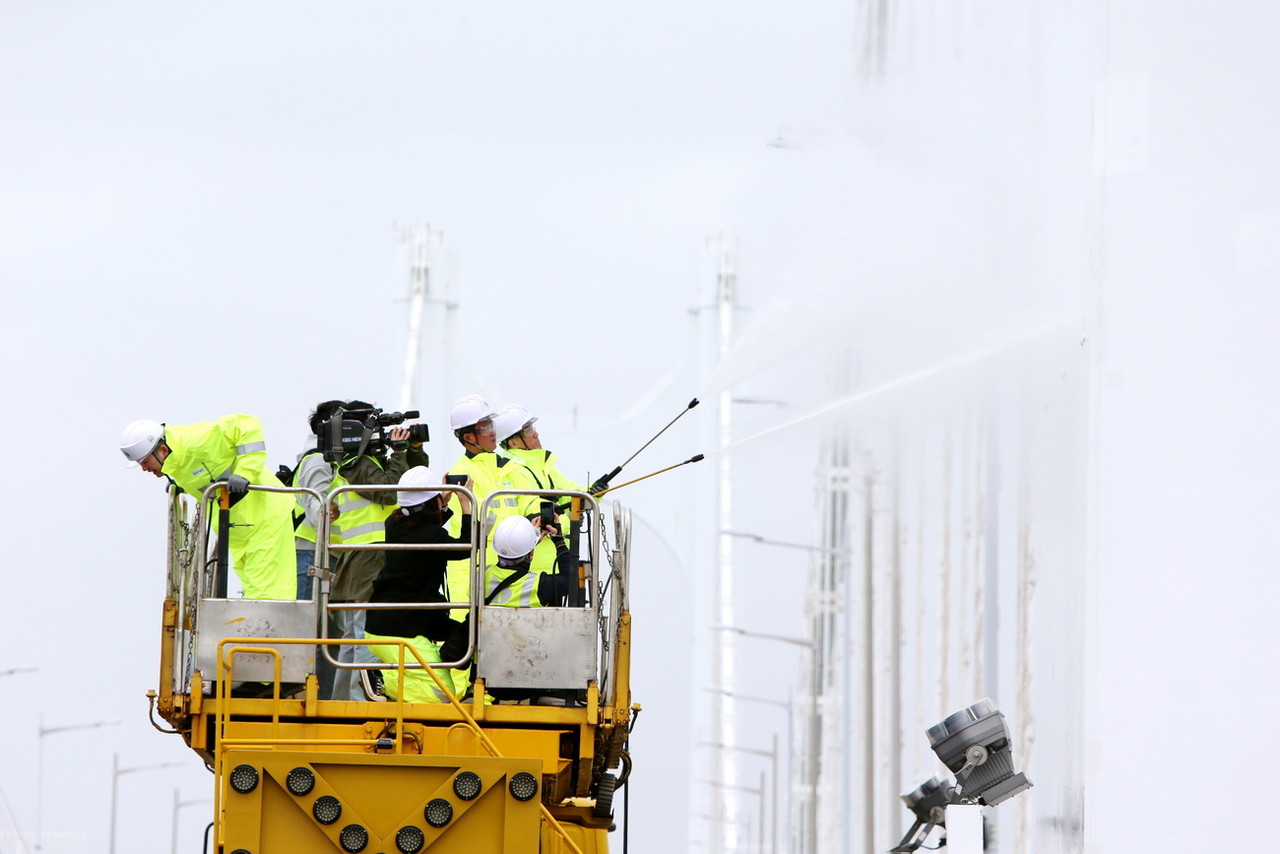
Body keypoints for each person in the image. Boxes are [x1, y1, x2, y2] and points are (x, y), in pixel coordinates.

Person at [120, 414, 296, 600]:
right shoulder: (177, 462)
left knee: (268, 592)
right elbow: (205, 474)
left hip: (264, 516)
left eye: (145, 462)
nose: (144, 469)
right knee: (254, 590)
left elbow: (246, 424)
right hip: (241, 528)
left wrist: (245, 472)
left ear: (162, 450)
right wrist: (182, 485)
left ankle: (269, 628)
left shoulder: (196, 441)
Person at [327, 400, 429, 701]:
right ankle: (359, 702)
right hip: (365, 560)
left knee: (355, 637)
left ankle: (345, 699)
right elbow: (389, 492)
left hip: (374, 559)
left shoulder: (369, 461)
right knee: (361, 636)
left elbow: (415, 477)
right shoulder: (353, 465)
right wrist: (398, 454)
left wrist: (412, 450)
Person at [364, 466, 474, 703]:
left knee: (462, 635)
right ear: (430, 503)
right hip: (400, 628)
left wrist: (440, 504)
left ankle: (390, 675)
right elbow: (467, 547)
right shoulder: (429, 536)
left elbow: (425, 530)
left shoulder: (393, 524)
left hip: (391, 619)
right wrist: (466, 503)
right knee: (442, 695)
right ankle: (382, 681)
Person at [442, 395, 542, 615]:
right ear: (469, 437)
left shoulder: (508, 467)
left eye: (491, 424)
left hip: (506, 566)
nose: (492, 431)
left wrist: (536, 513)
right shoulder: (459, 475)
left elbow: (530, 498)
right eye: (485, 426)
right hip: (470, 571)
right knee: (466, 634)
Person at [291, 399, 345, 601]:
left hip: (324, 550)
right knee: (308, 622)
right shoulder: (319, 459)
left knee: (323, 624)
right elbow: (316, 502)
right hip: (313, 551)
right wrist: (325, 511)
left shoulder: (328, 457)